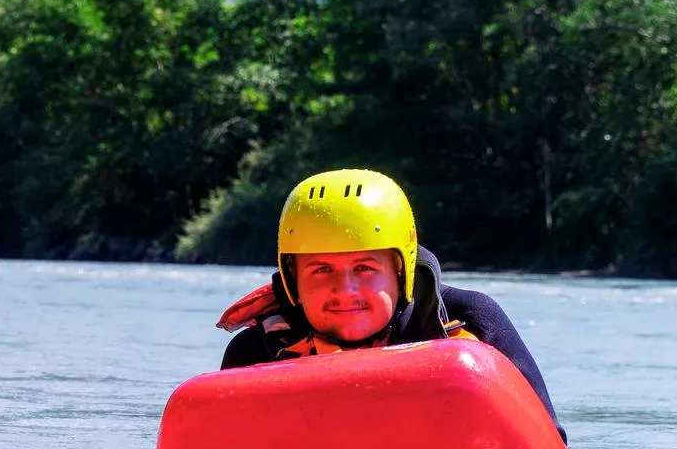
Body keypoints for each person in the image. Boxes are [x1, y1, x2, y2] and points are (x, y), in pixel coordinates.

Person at [215, 168, 562, 430]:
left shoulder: (471, 321)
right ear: (292, 281)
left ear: (401, 272)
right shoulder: (254, 353)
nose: (346, 290)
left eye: (364, 268)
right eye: (321, 270)